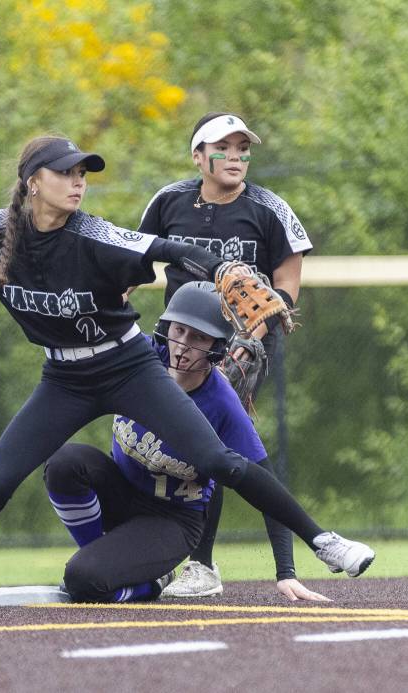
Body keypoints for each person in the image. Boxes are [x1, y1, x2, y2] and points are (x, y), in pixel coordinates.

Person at [0, 135, 373, 612]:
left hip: (126, 366)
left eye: (82, 174)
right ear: (32, 183)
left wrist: (221, 270)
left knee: (218, 460)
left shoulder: (94, 234)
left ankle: (324, 541)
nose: (77, 183)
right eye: (65, 173)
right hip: (64, 379)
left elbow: (167, 248)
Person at [0, 259, 329, 602]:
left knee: (83, 581)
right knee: (65, 462)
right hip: (123, 498)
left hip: (172, 522)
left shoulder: (220, 400)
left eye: (198, 338)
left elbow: (265, 483)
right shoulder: (137, 360)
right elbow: (65, 313)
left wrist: (286, 572)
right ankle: (108, 560)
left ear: (218, 347)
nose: (183, 345)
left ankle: (146, 583)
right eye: (179, 331)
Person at [136, 113, 311, 597]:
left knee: (212, 440)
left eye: (242, 148)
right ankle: (157, 550)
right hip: (178, 338)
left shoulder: (268, 207)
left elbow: (287, 281)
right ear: (198, 156)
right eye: (223, 147)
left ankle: (204, 564)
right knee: (154, 439)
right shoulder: (169, 201)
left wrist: (257, 330)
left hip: (244, 343)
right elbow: (136, 260)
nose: (235, 156)